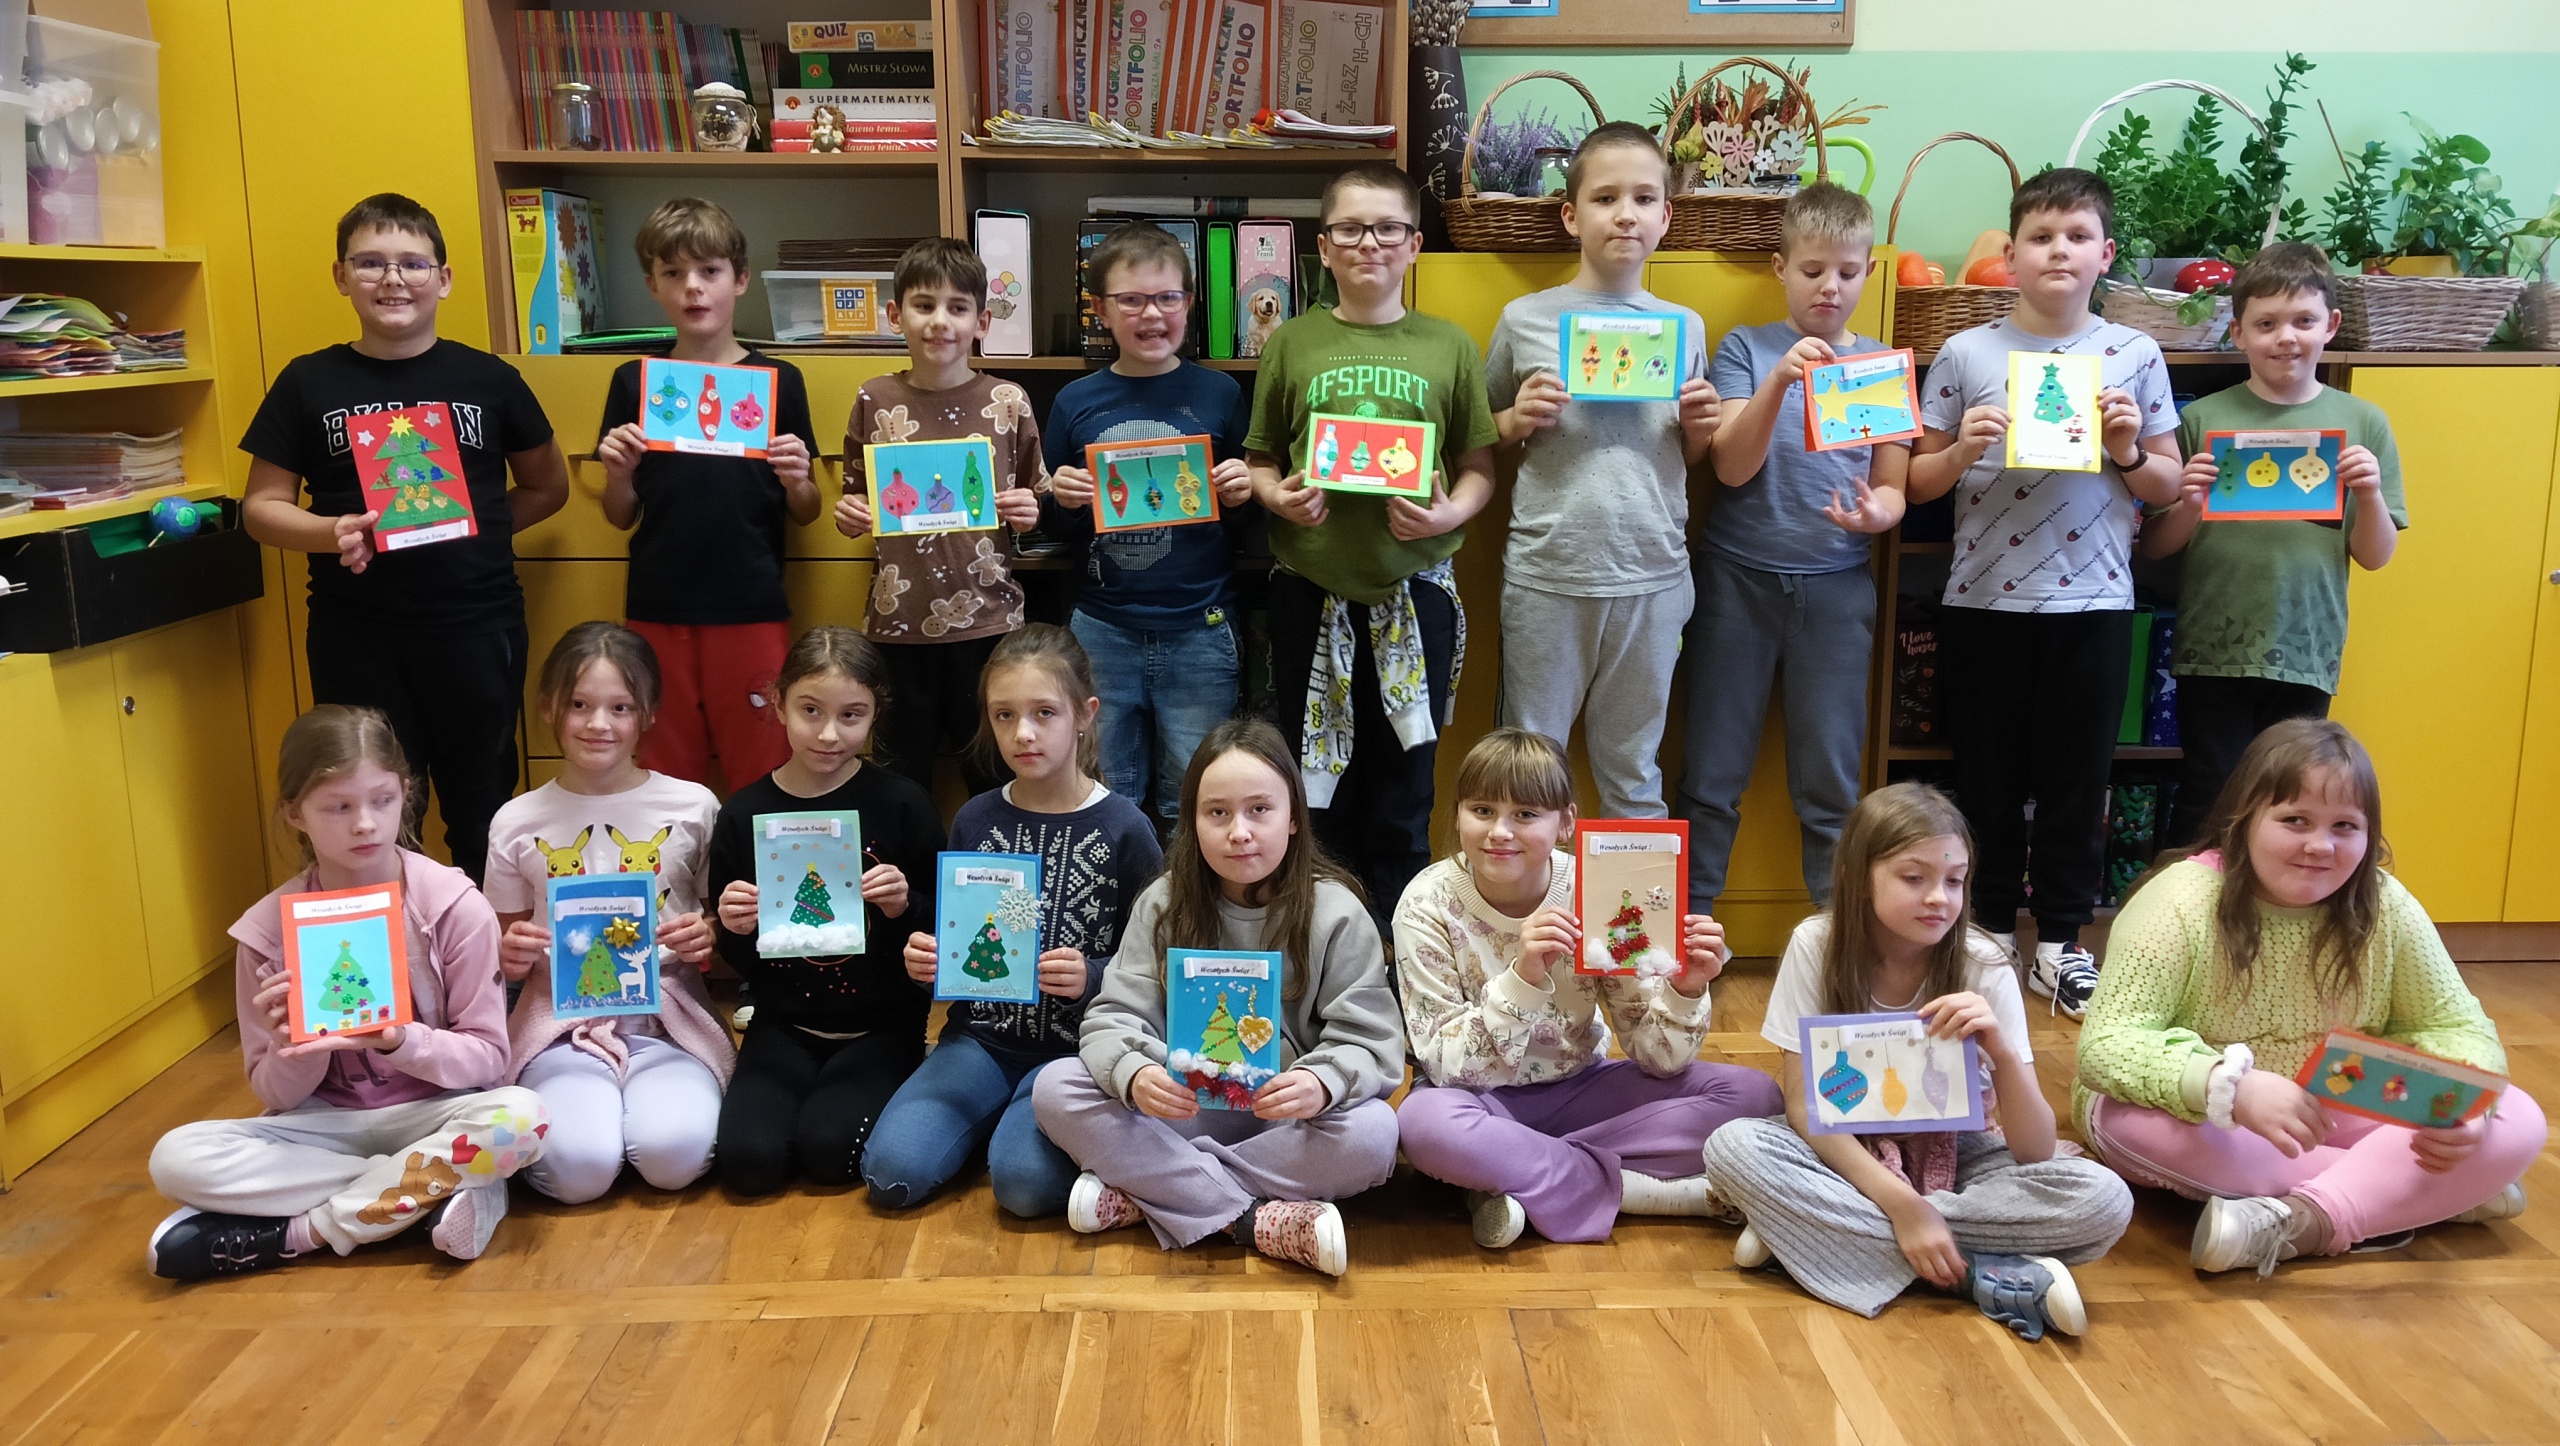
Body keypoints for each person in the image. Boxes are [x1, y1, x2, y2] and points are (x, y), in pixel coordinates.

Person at [2076, 719, 2543, 1275]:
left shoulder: (2386, 903)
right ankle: (2416, 1196)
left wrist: (2461, 1110)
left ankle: (2309, 1221)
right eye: (2294, 820)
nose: (2320, 845)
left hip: (2341, 1087)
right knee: (2130, 1123)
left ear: (2370, 836)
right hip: (2211, 1112)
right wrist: (2230, 1087)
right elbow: (2107, 1045)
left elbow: (2454, 1024)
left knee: (2517, 1117)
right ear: (2243, 820)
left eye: (2345, 826)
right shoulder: (2178, 900)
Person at [1701, 782, 2134, 1340]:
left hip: (1959, 1148)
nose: (1939, 899)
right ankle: (1975, 1273)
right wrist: (1906, 1208)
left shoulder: (1984, 961)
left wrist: (2002, 1053)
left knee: (2103, 1198)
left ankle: (1812, 1234)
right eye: (1914, 878)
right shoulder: (1817, 944)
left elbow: (2034, 1150)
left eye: (1954, 881)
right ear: (1857, 878)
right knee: (1734, 1145)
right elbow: (1807, 1110)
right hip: (1846, 1149)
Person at [1907, 168, 2183, 1017]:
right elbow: (1915, 481)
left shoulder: (2134, 354)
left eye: (2077, 236)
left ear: (2106, 253)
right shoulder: (1967, 354)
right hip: (1983, 601)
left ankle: (2061, 943)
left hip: (2093, 607)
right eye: (2040, 236)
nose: (2058, 250)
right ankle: (1989, 933)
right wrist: (1962, 451)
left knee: (2076, 781)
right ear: (2012, 253)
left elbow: (2169, 484)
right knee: (1985, 780)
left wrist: (2128, 450)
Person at [146, 707, 546, 1280]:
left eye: (382, 800)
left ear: (406, 793)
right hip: (324, 1128)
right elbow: (274, 1093)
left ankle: (300, 1233)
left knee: (522, 1118)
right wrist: (293, 1048)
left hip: (436, 1113)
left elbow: (487, 1058)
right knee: (175, 1159)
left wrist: (399, 1040)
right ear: (295, 814)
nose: (365, 824)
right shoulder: (266, 932)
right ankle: (428, 1191)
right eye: (338, 807)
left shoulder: (455, 906)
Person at [238, 193, 569, 884]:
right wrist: (330, 532)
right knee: (367, 808)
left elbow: (548, 488)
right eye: (370, 263)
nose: (393, 279)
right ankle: (391, 948)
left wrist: (478, 528)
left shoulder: (490, 380)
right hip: (358, 632)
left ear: (443, 279)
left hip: (477, 626)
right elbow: (261, 508)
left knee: (483, 806)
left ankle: (484, 944)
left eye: (413, 264)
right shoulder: (308, 382)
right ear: (341, 276)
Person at [1032, 718, 1405, 1276]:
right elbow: (1112, 1018)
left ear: (1294, 818)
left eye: (1260, 809)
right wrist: (1135, 1073)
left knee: (1375, 1134)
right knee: (1056, 1086)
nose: (1240, 832)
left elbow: (1372, 1043)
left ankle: (1148, 1195)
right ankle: (1253, 1220)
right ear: (1192, 823)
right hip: (1178, 1112)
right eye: (1218, 813)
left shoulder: (1338, 913)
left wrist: (1320, 1082)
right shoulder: (1163, 903)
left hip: (1283, 1123)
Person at [1392, 729, 1782, 1248]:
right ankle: (1641, 1192)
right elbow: (1445, 1065)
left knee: (1755, 1097)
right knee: (1423, 1125)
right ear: (1458, 813)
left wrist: (1685, 989)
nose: (1499, 832)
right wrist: (1524, 977)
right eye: (1481, 810)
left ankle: (1514, 1176)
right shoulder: (1425, 903)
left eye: (1525, 814)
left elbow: (1657, 1060)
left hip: (1581, 1087)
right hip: (1478, 1099)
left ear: (1566, 823)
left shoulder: (1600, 888)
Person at [1245, 162, 1501, 927]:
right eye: (1351, 228)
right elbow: (1261, 458)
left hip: (1414, 597)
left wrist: (1447, 516)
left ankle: (1403, 955)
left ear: (1415, 243)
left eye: (1388, 228)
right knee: (1316, 789)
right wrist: (1277, 496)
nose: (1370, 243)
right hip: (1308, 591)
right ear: (1323, 247)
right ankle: (1324, 945)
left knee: (1404, 789)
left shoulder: (1448, 345)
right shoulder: (1291, 342)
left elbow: (1479, 466)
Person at [865, 625, 1164, 1216]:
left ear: (1085, 715)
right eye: (1004, 715)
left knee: (1025, 1189)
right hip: (980, 1041)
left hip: (1077, 1054)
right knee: (891, 1175)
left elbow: (1158, 963)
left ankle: (1013, 1135)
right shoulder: (975, 819)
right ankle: (986, 1125)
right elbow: (958, 945)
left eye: (1044, 712)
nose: (1023, 733)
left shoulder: (1126, 828)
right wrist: (929, 961)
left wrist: (1093, 975)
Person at [1683, 182, 1910, 909]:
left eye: (1846, 271)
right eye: (1812, 270)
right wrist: (1781, 380)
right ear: (1781, 268)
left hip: (1837, 588)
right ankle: (1692, 928)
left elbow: (1894, 489)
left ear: (1868, 272)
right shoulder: (1746, 349)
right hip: (1736, 582)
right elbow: (1729, 467)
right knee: (1710, 774)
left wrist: (1876, 515)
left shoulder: (1879, 367)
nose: (1829, 286)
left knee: (1832, 782)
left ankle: (1835, 935)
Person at [2135, 242, 2406, 845]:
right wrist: (2190, 501)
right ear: (2237, 332)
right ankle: (2190, 897)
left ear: (2331, 326)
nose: (2286, 337)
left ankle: (2270, 897)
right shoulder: (2202, 419)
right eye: (2266, 324)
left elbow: (2376, 555)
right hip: (2214, 646)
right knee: (2209, 793)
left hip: (2307, 646)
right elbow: (2154, 546)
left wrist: (2369, 494)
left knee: (2292, 800)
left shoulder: (2363, 423)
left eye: (2304, 320)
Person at [1484, 124, 1718, 819]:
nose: (1625, 214)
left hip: (1653, 577)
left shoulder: (1685, 326)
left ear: (1666, 216)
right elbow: (1478, 437)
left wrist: (1700, 428)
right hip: (1548, 575)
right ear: (1571, 215)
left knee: (1633, 772)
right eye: (1605, 197)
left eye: (1644, 198)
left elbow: (1687, 456)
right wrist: (1515, 418)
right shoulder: (1524, 318)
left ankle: (1632, 898)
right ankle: (1527, 895)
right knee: (1527, 775)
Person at [483, 623, 732, 1204]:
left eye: (620, 707)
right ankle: (595, 1127)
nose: (599, 724)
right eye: (579, 705)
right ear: (548, 707)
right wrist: (510, 955)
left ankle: (633, 1120)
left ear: (648, 713)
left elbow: (720, 923)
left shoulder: (693, 805)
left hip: (669, 1024)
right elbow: (503, 951)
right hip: (559, 1029)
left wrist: (708, 935)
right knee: (580, 1173)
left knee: (674, 1158)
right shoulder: (517, 821)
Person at [593, 197, 819, 792]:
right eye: (674, 273)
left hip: (750, 604)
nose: (693, 287)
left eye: (709, 271)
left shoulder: (780, 381)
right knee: (663, 772)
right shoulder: (634, 382)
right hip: (658, 604)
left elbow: (807, 511)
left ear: (740, 279)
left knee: (764, 764)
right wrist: (617, 475)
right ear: (653, 285)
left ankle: (752, 859)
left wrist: (798, 479)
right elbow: (620, 516)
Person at [707, 628, 943, 1194]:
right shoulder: (744, 814)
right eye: (810, 710)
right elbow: (739, 953)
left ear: (875, 714)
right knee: (748, 1164)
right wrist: (733, 925)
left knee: (831, 1153)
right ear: (779, 704)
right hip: (783, 1023)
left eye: (851, 715)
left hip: (883, 1024)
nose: (830, 733)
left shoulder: (902, 802)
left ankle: (895, 1081)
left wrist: (904, 904)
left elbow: (941, 927)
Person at [1040, 221, 1257, 830]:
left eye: (1167, 297)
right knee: (1098, 793)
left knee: (1199, 796)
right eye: (1131, 299)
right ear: (1101, 309)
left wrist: (1242, 491)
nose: (1152, 314)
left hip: (1201, 629)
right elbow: (1053, 518)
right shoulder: (1074, 400)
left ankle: (1187, 896)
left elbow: (1246, 514)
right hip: (1101, 628)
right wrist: (1064, 497)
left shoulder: (1220, 393)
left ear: (1189, 303)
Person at [834, 238, 1046, 795]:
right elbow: (855, 498)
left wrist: (1031, 511)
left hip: (989, 621)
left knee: (995, 774)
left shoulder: (1008, 401)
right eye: (923, 305)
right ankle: (909, 860)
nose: (939, 322)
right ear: (895, 315)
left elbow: (1037, 500)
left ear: (982, 322)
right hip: (899, 623)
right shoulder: (874, 398)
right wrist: (850, 513)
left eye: (957, 308)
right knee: (899, 777)